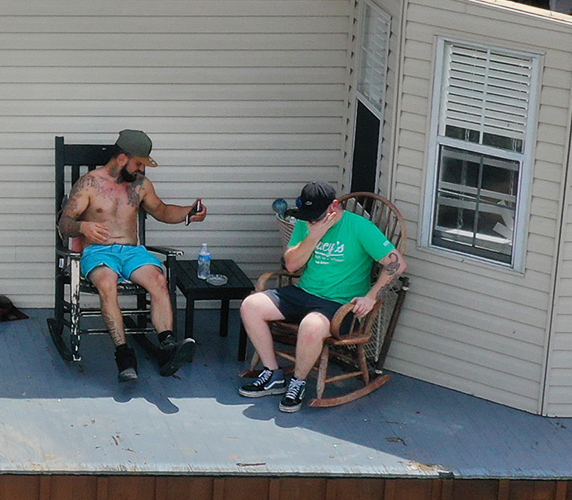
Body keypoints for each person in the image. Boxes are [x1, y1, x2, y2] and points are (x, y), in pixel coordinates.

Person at [56, 129, 208, 383]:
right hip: (99, 251)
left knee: (159, 280)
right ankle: (124, 354)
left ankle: (167, 345)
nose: (141, 170)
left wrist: (188, 213)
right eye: (138, 163)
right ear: (123, 158)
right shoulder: (89, 184)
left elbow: (161, 210)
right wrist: (83, 227)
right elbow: (65, 223)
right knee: (107, 284)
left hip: (132, 251)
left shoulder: (141, 185)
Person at [238, 181, 404, 413]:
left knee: (311, 326)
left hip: (339, 305)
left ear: (334, 206)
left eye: (317, 216)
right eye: (309, 217)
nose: (312, 221)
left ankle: (297, 382)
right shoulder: (307, 225)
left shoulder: (359, 227)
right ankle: (272, 373)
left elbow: (397, 263)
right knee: (251, 305)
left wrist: (371, 296)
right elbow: (292, 265)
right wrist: (314, 236)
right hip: (304, 293)